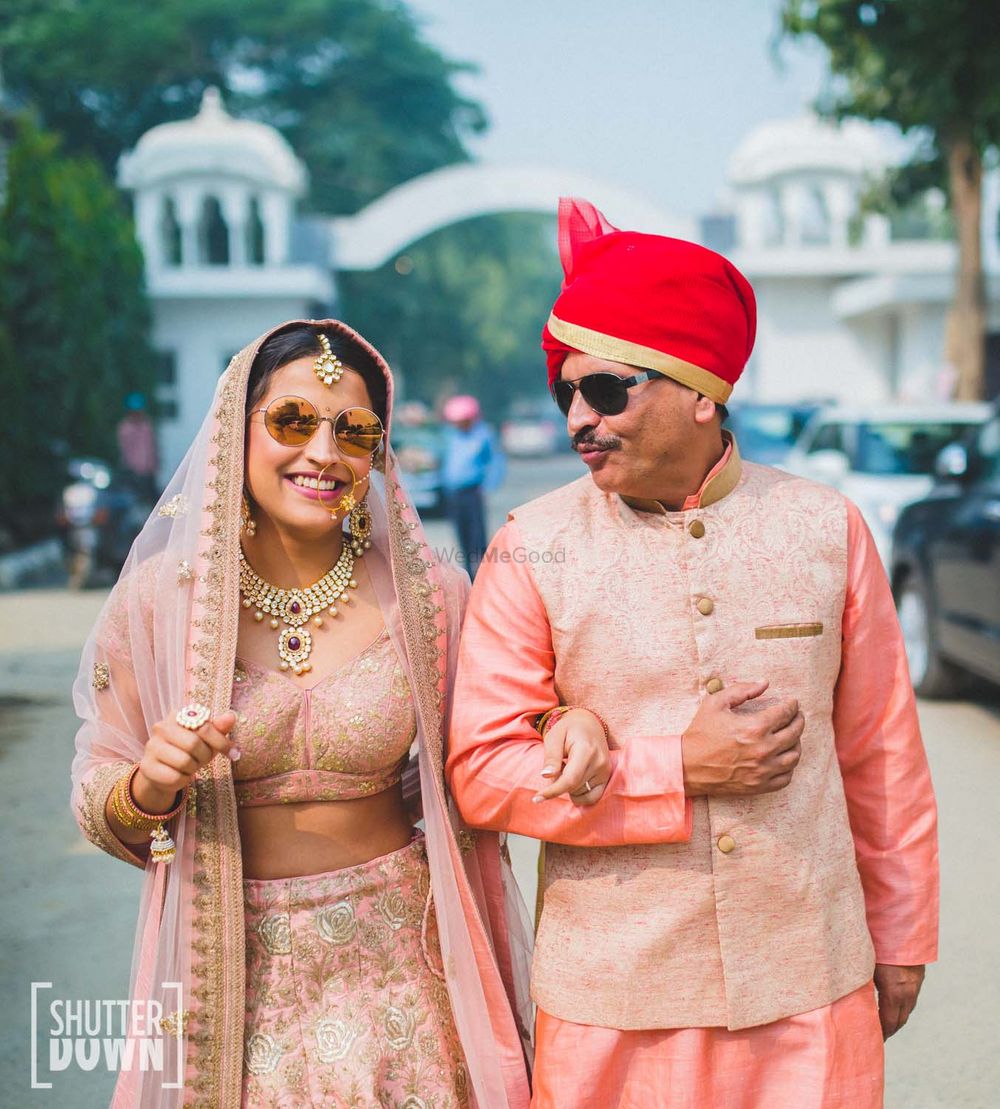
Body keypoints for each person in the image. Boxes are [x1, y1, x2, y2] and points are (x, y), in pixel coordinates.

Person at [447, 199, 938, 1107]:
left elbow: (880, 753)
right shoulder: (530, 544)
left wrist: (901, 934)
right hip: (612, 1004)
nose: (577, 421)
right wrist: (672, 767)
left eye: (605, 390)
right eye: (566, 394)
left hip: (806, 985)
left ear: (700, 387)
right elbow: (480, 769)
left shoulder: (825, 528)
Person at [71, 321, 532, 1107]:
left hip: (406, 960)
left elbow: (491, 758)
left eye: (355, 432)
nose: (324, 453)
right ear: (233, 430)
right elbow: (97, 790)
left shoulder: (430, 596)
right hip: (234, 972)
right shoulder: (163, 605)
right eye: (292, 422)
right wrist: (148, 785)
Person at [441, 394, 505, 577]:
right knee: (462, 535)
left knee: (477, 536)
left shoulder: (483, 434)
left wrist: (487, 486)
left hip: (472, 492)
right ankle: (469, 575)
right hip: (454, 494)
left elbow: (495, 462)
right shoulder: (451, 436)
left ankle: (486, 574)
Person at [116, 392, 159, 501]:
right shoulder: (125, 428)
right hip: (132, 473)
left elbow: (150, 447)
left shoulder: (146, 425)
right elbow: (126, 452)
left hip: (148, 472)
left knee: (153, 500)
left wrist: (153, 464)